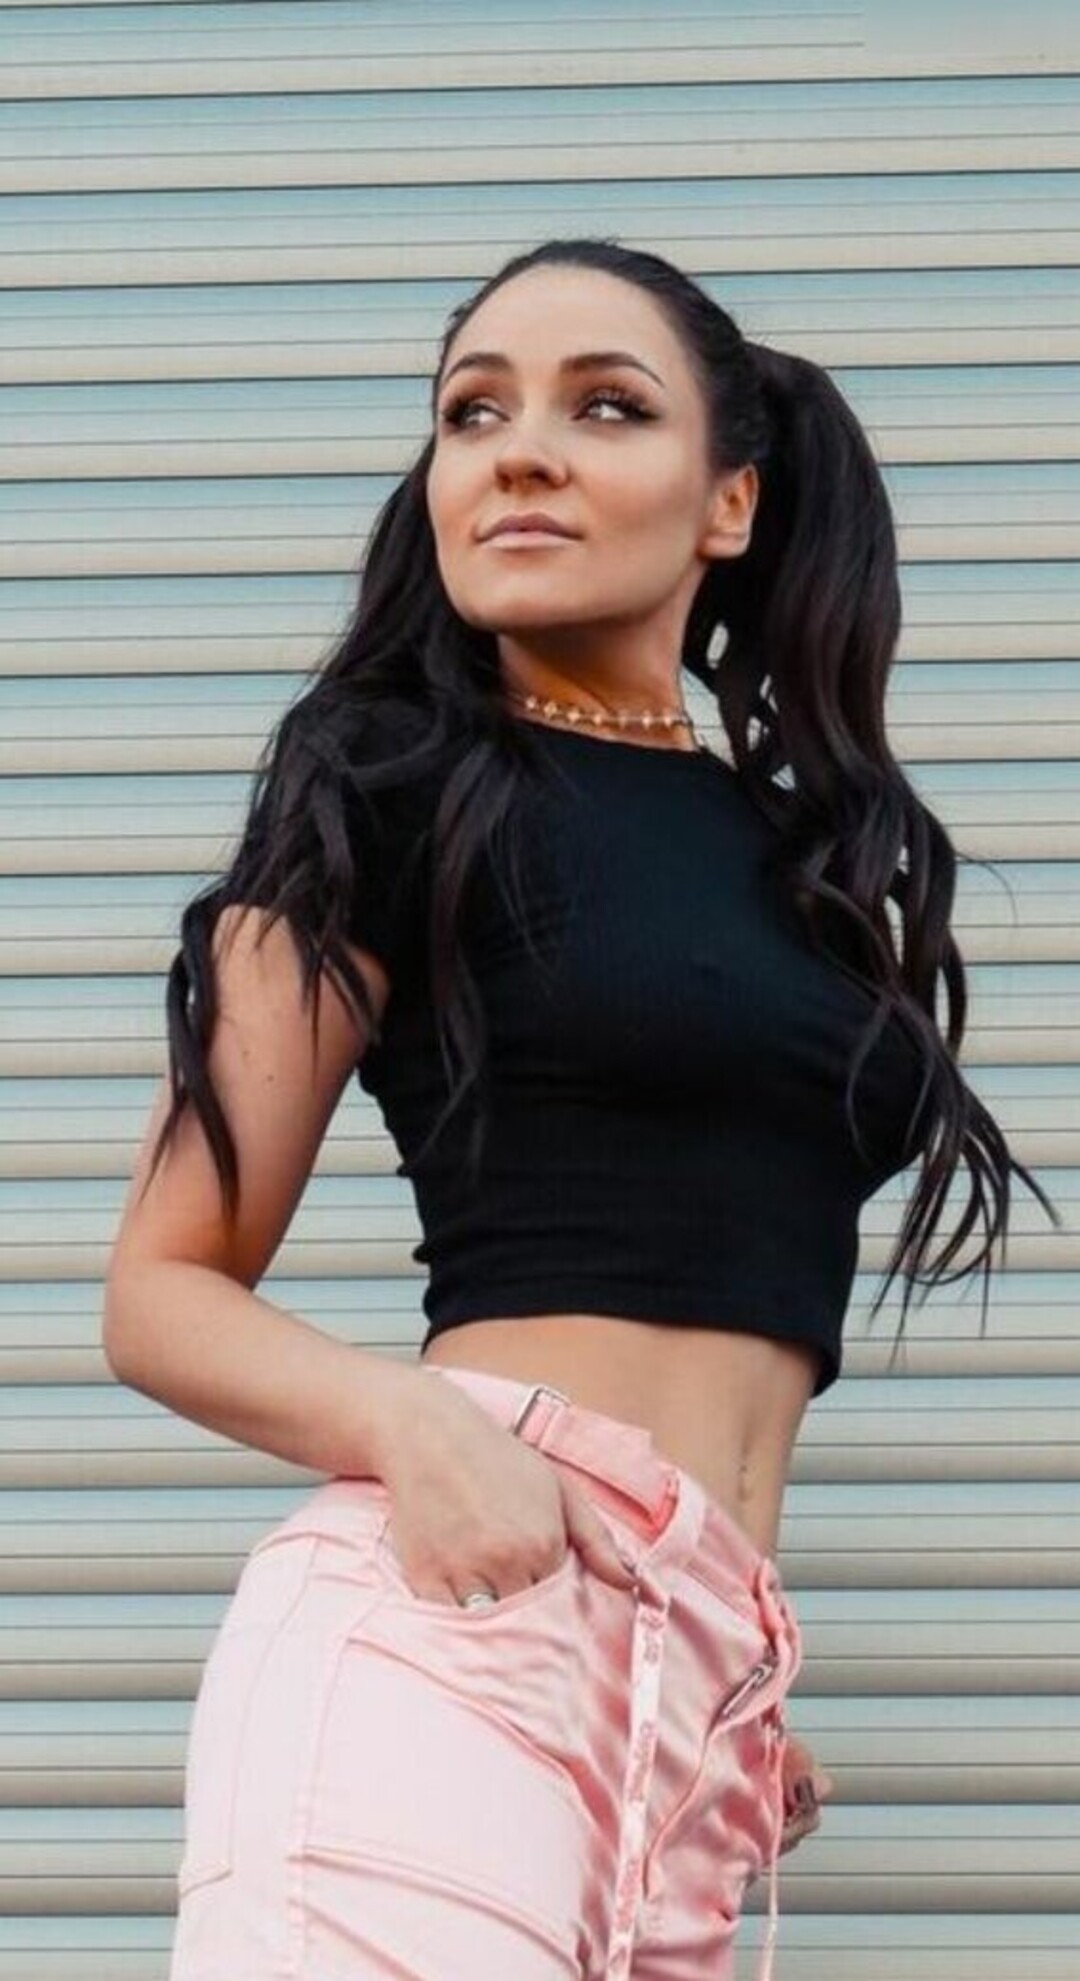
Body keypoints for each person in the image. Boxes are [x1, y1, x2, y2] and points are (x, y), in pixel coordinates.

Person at [103, 238, 1060, 1981]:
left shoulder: (811, 861)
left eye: (604, 407)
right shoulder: (389, 787)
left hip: (692, 1699)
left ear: (730, 503)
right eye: (473, 413)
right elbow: (159, 1290)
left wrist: (707, 1639)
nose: (519, 451)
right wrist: (407, 1424)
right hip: (450, 1627)